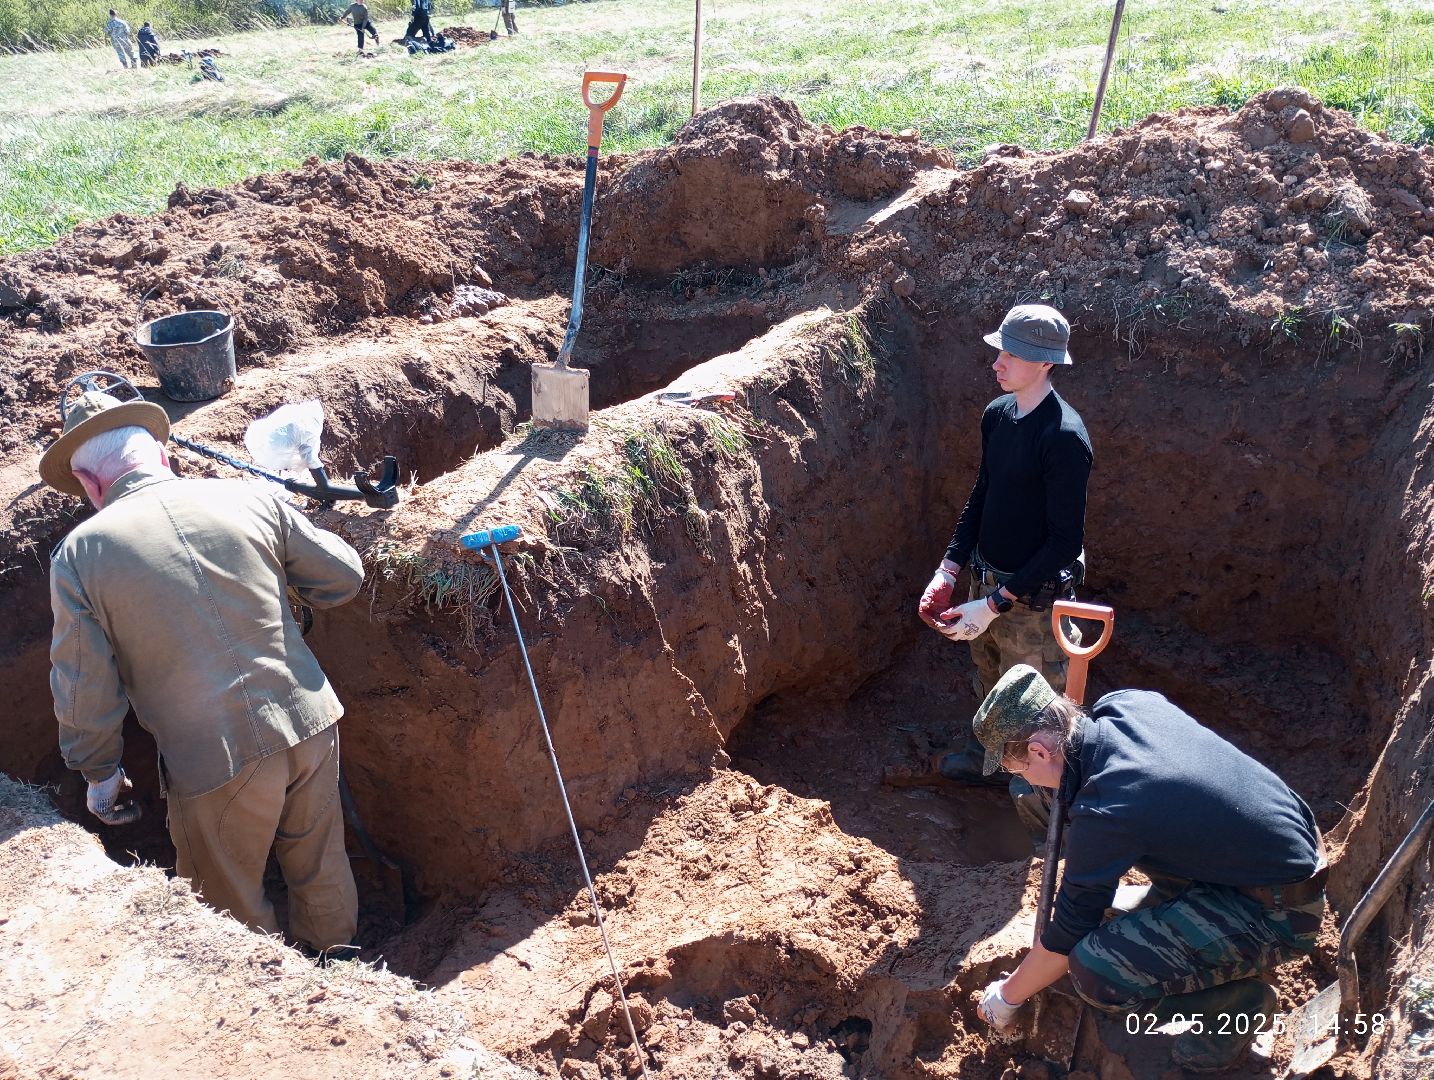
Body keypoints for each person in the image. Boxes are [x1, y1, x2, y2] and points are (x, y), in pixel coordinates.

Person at [41, 387, 365, 956]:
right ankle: (342, 976)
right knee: (320, 865)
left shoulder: (79, 556)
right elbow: (342, 577)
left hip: (214, 757)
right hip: (310, 720)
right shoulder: (248, 499)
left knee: (225, 907)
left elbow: (84, 684)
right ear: (162, 456)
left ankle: (266, 1019)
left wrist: (100, 773)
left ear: (91, 485)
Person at [971, 665, 1327, 1072]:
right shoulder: (1126, 705)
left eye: (1018, 770)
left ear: (1038, 751)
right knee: (1109, 910)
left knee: (1094, 970)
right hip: (1278, 851)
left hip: (1282, 913)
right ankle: (1201, 930)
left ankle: (1234, 1008)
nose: (1028, 781)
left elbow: (1066, 937)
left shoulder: (1109, 807)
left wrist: (1005, 998)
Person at [894, 304, 1092, 845]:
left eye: (1012, 353)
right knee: (990, 682)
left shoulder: (1064, 438)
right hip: (989, 583)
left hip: (1032, 604)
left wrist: (996, 604)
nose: (998, 361)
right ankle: (988, 765)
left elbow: (1062, 544)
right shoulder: (998, 416)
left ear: (1046, 364)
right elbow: (983, 495)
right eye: (1000, 349)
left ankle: (1046, 831)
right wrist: (949, 568)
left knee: (1040, 722)